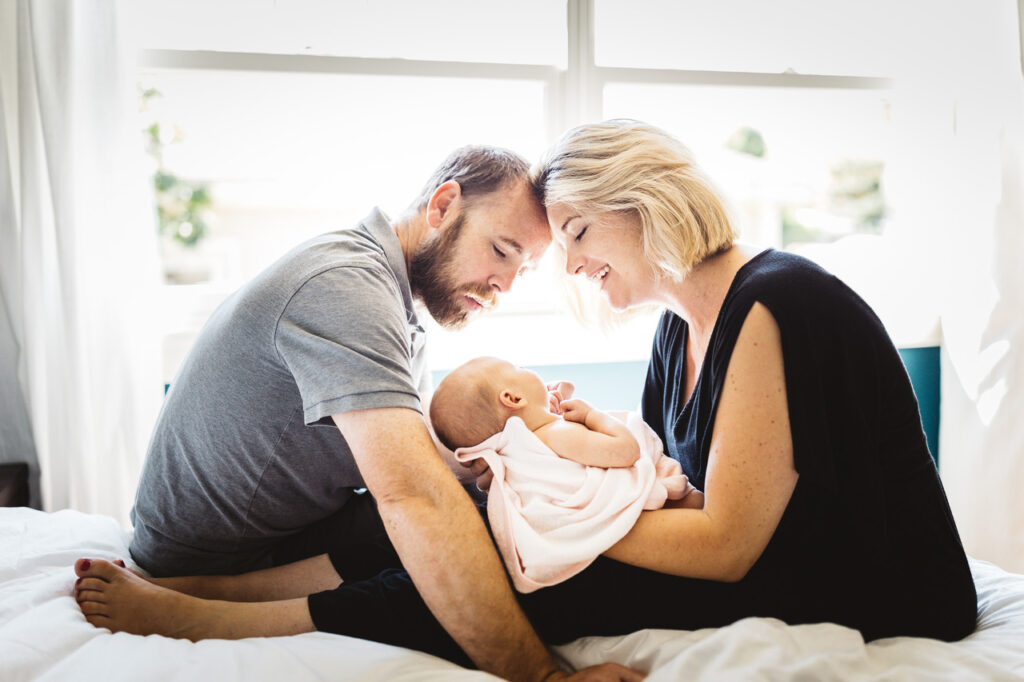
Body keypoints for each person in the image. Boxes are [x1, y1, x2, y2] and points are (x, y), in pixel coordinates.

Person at [72, 145, 642, 682]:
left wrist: (528, 449)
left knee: (492, 512)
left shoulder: (392, 300)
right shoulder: (346, 287)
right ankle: (202, 608)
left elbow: (419, 458)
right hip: (220, 551)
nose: (506, 285)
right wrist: (539, 675)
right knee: (450, 535)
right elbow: (413, 496)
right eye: (501, 251)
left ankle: (208, 594)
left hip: (276, 534)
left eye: (525, 269)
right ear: (443, 206)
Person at [494, 117, 975, 644]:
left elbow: (725, 545)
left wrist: (558, 527)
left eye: (578, 233)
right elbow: (669, 495)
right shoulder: (674, 333)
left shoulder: (778, 301)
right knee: (502, 549)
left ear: (645, 202)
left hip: (885, 596)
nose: (574, 268)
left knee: (536, 585)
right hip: (777, 571)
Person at [429, 356, 701, 591]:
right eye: (518, 367)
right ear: (512, 398)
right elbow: (626, 451)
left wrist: (547, 402)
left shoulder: (518, 453)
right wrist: (592, 415)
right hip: (648, 503)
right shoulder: (557, 434)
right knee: (697, 504)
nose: (528, 369)